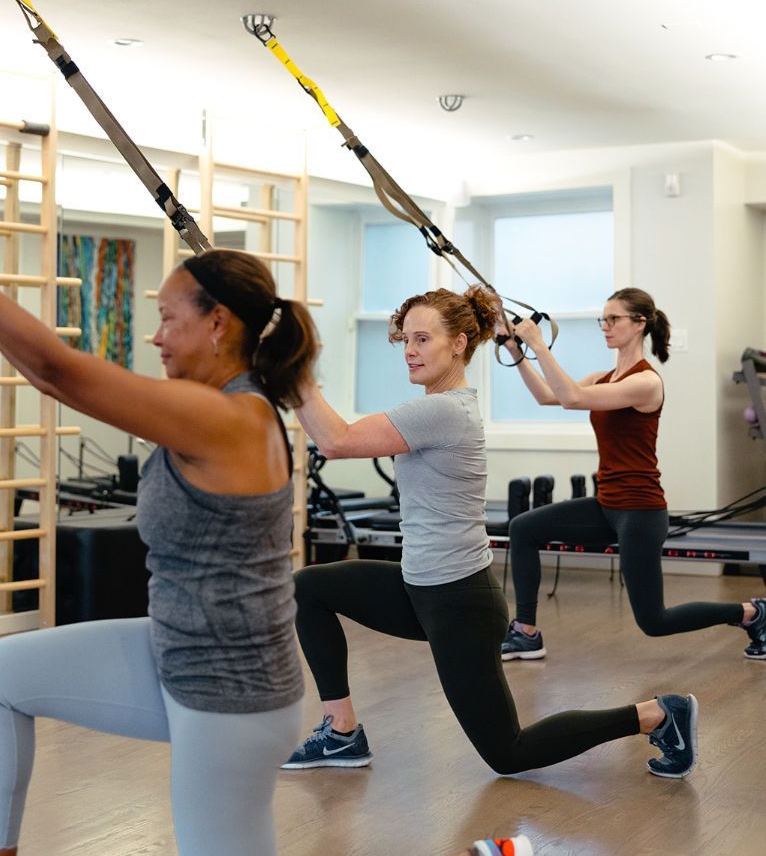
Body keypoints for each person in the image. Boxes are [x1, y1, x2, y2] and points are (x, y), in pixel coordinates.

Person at [0, 211, 534, 856]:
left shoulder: (230, 418)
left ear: (219, 324)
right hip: (172, 651)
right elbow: (53, 371)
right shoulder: (209, 400)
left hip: (230, 697)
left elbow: (56, 370)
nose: (154, 337)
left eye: (166, 319)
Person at [284, 287, 698, 780]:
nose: (410, 350)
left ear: (459, 343)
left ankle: (658, 713)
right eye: (405, 340)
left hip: (459, 602)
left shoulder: (444, 411)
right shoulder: (435, 406)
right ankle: (341, 731)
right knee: (306, 589)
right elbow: (336, 437)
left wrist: (290, 368)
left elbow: (336, 441)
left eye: (423, 339)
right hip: (418, 585)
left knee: (509, 752)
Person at [497, 288, 765, 663]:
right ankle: (526, 632)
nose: (604, 327)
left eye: (613, 319)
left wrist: (539, 345)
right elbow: (548, 395)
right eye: (602, 319)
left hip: (639, 512)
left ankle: (752, 613)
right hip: (607, 505)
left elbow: (573, 397)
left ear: (639, 324)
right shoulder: (605, 376)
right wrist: (515, 352)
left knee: (654, 621)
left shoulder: (646, 383)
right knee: (523, 528)